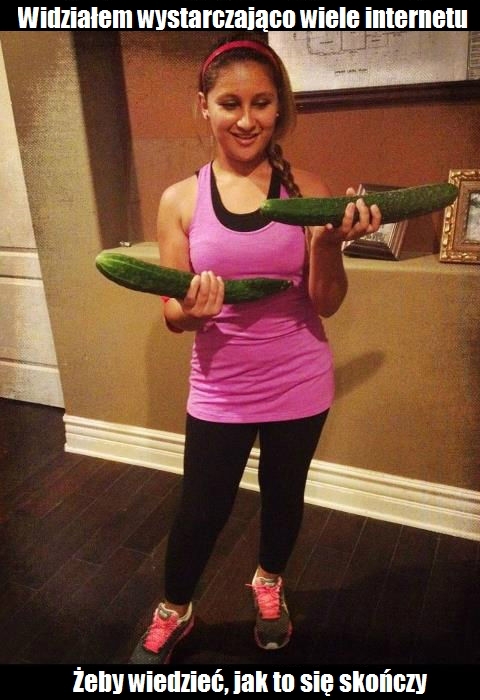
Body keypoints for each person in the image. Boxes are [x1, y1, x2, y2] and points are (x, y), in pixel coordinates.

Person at [129, 35, 381, 665]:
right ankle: (175, 607)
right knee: (201, 508)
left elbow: (325, 303)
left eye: (262, 103)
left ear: (279, 108)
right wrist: (192, 310)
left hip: (301, 378)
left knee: (284, 495)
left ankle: (269, 582)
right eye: (230, 103)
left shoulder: (309, 190)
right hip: (221, 386)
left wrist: (329, 245)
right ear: (204, 106)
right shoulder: (180, 200)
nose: (246, 119)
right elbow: (171, 313)